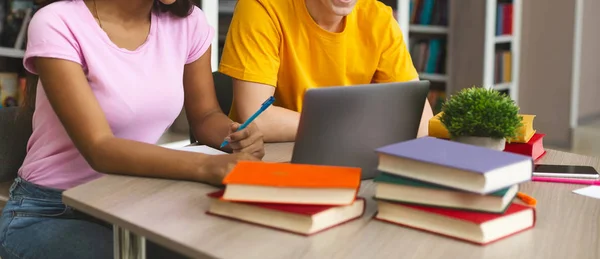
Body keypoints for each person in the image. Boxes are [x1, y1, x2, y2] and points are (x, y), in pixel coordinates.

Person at [0, 0, 265, 258]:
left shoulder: (189, 23)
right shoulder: (57, 22)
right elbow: (99, 148)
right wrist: (207, 166)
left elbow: (206, 115)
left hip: (133, 201)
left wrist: (234, 135)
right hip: (51, 210)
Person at [220, 0, 434, 143]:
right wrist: (357, 129)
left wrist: (345, 131)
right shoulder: (260, 7)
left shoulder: (379, 18)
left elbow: (419, 120)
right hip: (269, 156)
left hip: (348, 155)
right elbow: (258, 119)